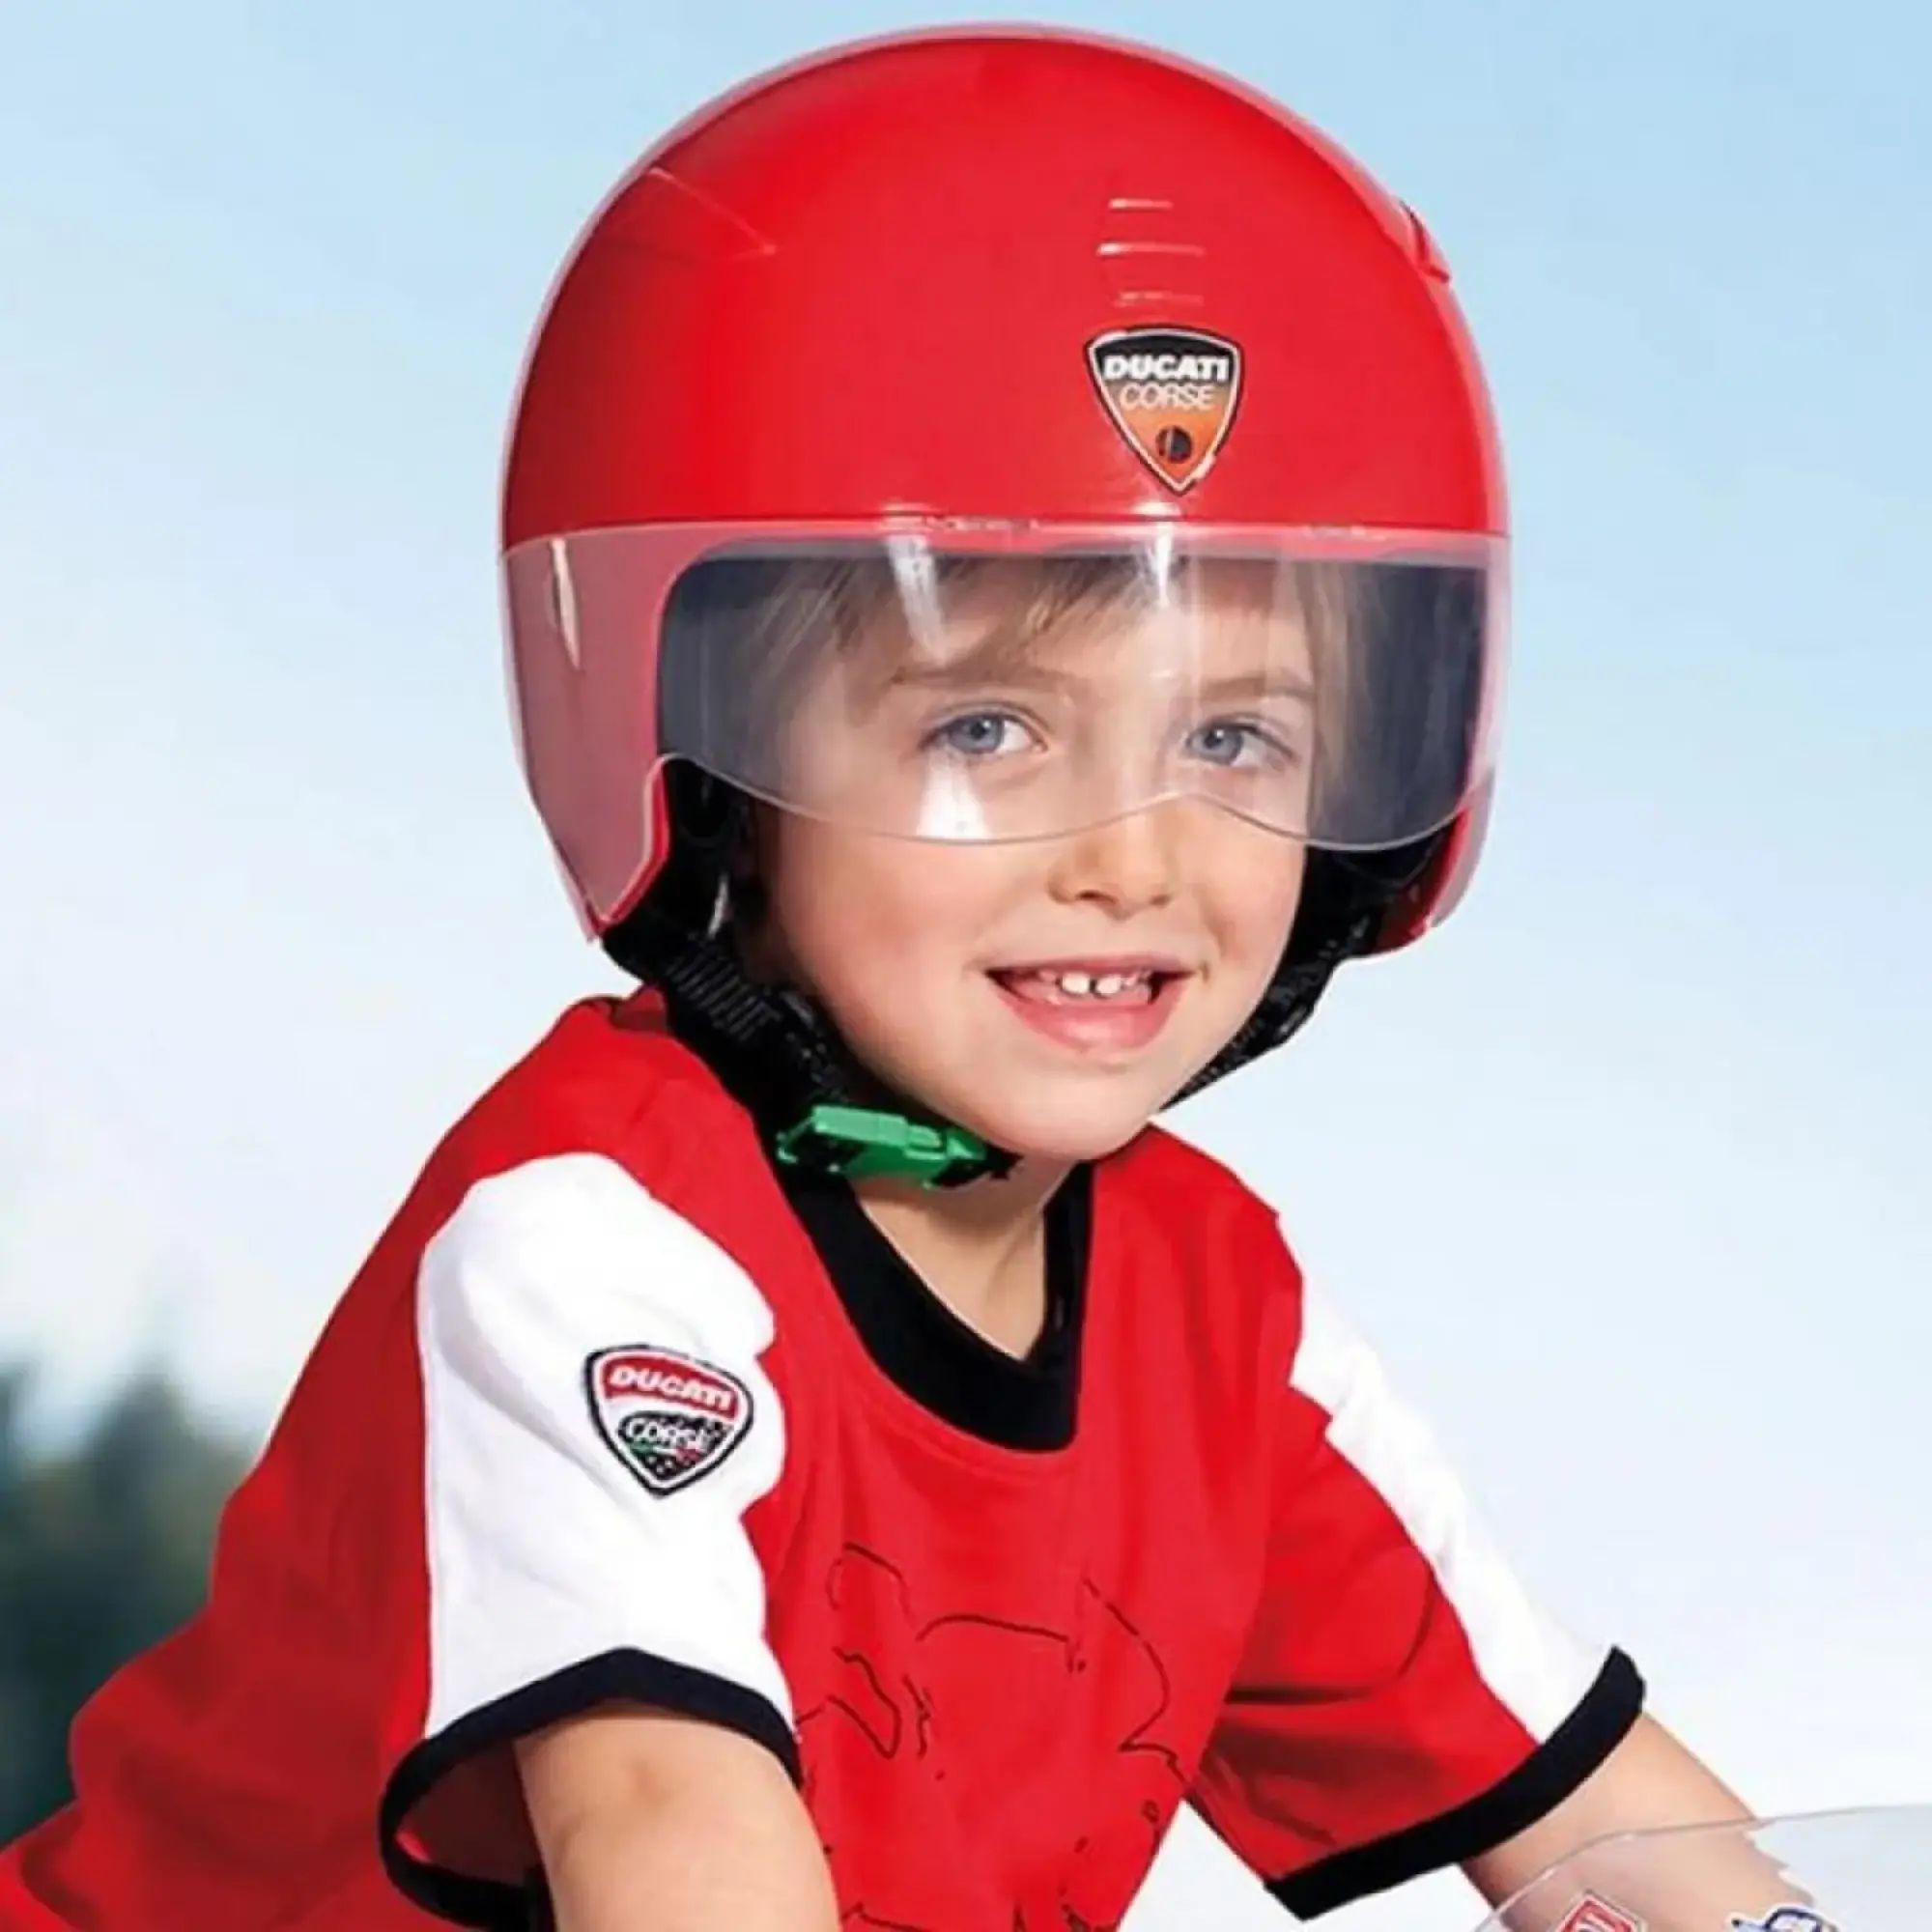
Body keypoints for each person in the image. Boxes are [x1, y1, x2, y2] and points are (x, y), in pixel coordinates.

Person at [0, 25, 1754, 1932]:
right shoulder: (593, 1243)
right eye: (988, 727)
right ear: (715, 762)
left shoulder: (1218, 1320)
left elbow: (1606, 1827)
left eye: (1236, 738)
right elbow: (668, 1832)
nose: (1136, 856)